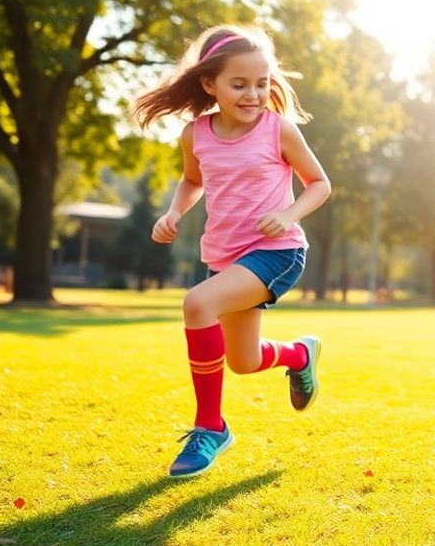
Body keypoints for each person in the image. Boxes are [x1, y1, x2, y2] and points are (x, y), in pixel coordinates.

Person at [134, 25, 332, 478]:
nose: (253, 94)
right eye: (239, 84)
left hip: (277, 251)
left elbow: (319, 184)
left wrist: (289, 214)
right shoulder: (195, 135)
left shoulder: (277, 130)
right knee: (243, 361)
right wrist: (174, 212)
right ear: (210, 84)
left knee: (197, 303)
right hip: (225, 257)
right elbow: (192, 181)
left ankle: (211, 427)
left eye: (261, 84)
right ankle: (300, 355)